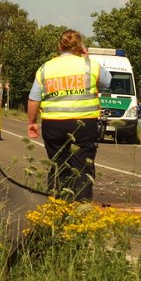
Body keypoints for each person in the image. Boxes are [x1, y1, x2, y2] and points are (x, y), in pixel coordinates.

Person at [27, 30, 111, 201]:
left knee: (59, 166)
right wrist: (86, 56)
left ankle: (57, 208)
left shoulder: (46, 68)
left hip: (53, 125)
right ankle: (80, 210)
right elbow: (107, 82)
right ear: (80, 47)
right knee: (82, 169)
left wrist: (32, 122)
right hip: (84, 125)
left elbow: (34, 98)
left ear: (59, 47)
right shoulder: (90, 65)